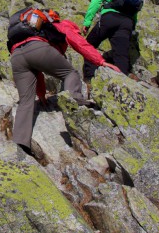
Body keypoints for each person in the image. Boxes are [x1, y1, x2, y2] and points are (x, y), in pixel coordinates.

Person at [9, 10, 121, 155]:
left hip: (16, 55)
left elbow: (36, 71)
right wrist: (100, 61)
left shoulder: (31, 31)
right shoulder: (62, 25)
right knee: (70, 73)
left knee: (25, 101)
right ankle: (75, 104)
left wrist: (41, 95)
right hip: (38, 49)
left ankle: (20, 144)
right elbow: (79, 43)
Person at [82, 0, 141, 80]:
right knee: (121, 55)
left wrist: (87, 22)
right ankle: (123, 83)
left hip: (109, 19)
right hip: (126, 23)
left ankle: (89, 77)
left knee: (89, 44)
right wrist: (132, 28)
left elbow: (95, 3)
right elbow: (135, 10)